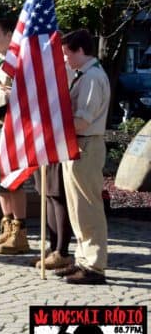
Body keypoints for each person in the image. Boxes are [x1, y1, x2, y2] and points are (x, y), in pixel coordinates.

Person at [57, 29, 110, 285]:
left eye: (67, 54)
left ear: (80, 51)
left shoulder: (92, 78)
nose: (65, 59)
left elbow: (82, 121)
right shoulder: (83, 75)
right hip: (77, 145)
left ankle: (95, 265)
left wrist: (55, 121)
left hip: (86, 144)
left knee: (88, 207)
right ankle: (83, 259)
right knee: (77, 207)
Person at [0, 20, 31, 254]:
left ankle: (20, 232)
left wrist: (16, 95)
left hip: (11, 126)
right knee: (0, 181)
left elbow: (30, 94)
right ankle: (7, 226)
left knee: (14, 180)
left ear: (10, 35)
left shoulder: (18, 63)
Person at [32, 163, 73, 270]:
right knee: (48, 194)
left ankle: (62, 252)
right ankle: (54, 248)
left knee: (57, 192)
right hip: (42, 155)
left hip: (59, 155)